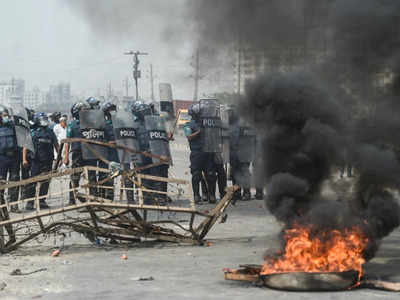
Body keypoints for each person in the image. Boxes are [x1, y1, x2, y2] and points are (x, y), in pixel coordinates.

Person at [64, 102, 97, 204]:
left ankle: (92, 198)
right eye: (83, 110)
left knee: (91, 176)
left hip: (90, 153)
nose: (86, 112)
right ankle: (72, 199)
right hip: (77, 153)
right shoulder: (72, 125)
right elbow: (67, 142)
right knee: (75, 176)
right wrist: (66, 157)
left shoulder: (92, 123)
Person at [25, 113, 59, 210]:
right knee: (33, 182)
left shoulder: (50, 132)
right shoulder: (33, 132)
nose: (44, 121)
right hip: (36, 161)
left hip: (48, 161)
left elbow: (56, 146)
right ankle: (30, 203)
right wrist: (24, 159)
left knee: (45, 182)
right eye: (42, 119)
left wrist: (59, 158)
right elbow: (25, 147)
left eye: (45, 119)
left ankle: (42, 201)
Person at [184, 103, 216, 204]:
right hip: (197, 153)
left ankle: (212, 195)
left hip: (208, 152)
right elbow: (189, 137)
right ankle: (196, 196)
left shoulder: (208, 123)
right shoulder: (188, 125)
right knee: (196, 175)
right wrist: (199, 132)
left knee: (210, 175)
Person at [0, 105, 23, 212]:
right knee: (1, 181)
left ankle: (14, 205)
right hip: (2, 158)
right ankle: (2, 206)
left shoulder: (13, 126)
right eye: (4, 115)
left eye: (7, 115)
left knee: (14, 180)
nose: (6, 117)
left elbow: (21, 139)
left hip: (14, 157)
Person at [98, 102, 119, 201]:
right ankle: (101, 196)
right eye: (110, 110)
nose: (112, 112)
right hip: (104, 153)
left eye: (113, 109)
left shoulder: (118, 122)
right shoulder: (102, 124)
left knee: (113, 174)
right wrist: (107, 142)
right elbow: (98, 138)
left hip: (115, 153)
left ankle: (110, 197)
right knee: (103, 174)